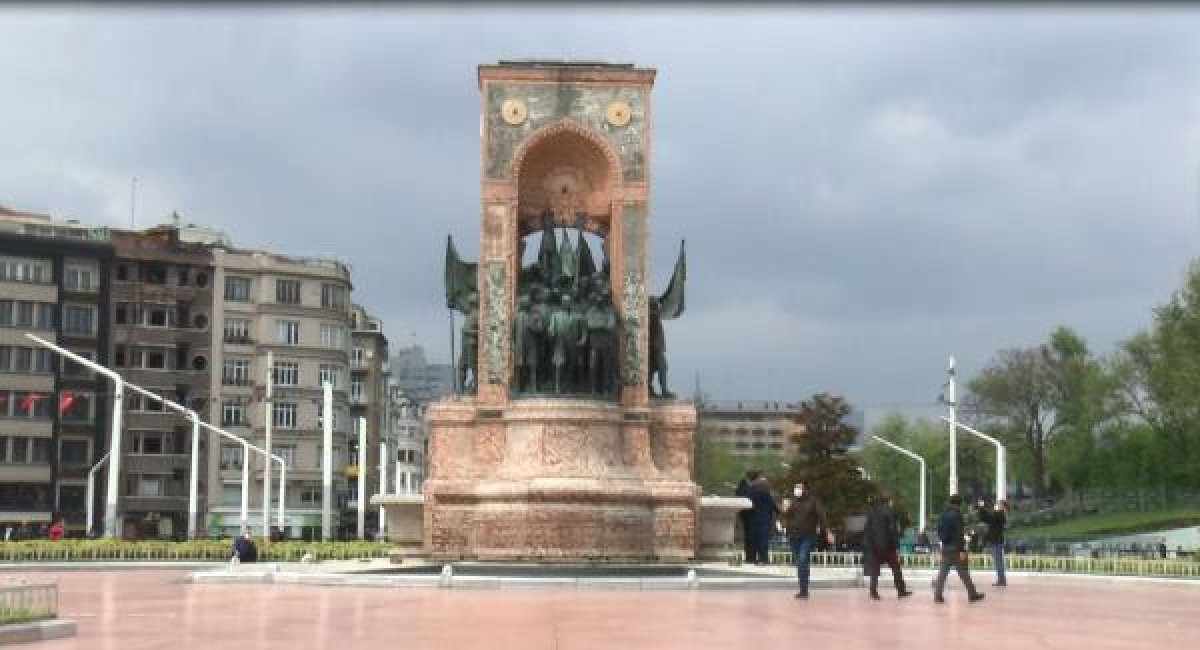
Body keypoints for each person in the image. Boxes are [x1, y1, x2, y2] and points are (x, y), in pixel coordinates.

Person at [782, 479, 831, 599]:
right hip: (793, 535)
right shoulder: (791, 500)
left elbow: (822, 517)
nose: (796, 490)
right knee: (800, 562)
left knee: (803, 559)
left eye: (799, 487)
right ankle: (803, 589)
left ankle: (804, 590)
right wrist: (784, 511)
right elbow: (784, 516)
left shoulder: (814, 501)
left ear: (805, 489)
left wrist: (828, 531)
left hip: (808, 535)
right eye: (795, 487)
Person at [933, 495, 985, 604]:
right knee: (964, 571)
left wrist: (943, 541)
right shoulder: (957, 515)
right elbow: (959, 534)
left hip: (946, 547)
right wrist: (962, 549)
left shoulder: (943, 514)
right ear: (959, 504)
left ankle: (937, 596)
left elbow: (938, 529)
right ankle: (972, 594)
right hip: (956, 548)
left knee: (942, 573)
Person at [863, 492, 912, 600]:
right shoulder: (890, 512)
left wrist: (869, 543)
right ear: (889, 501)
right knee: (896, 568)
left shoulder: (872, 512)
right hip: (887, 546)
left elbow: (867, 529)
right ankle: (901, 590)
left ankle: (873, 592)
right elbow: (892, 530)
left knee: (875, 570)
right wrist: (896, 543)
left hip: (874, 545)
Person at [746, 476, 778, 565]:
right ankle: (763, 558)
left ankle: (752, 558)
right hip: (764, 518)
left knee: (754, 539)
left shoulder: (750, 491)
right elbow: (772, 504)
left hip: (752, 518)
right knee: (763, 540)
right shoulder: (765, 492)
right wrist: (780, 512)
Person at [977, 498, 1008, 586]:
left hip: (996, 541)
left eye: (998, 504)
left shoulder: (999, 515)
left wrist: (981, 507)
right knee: (999, 561)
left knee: (998, 561)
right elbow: (986, 518)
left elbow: (986, 518)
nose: (996, 505)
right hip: (997, 540)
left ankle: (1001, 580)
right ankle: (1001, 579)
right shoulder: (1000, 515)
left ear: (1002, 506)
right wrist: (982, 508)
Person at [734, 470, 760, 564]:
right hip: (751, 515)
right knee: (751, 538)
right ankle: (751, 558)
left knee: (749, 537)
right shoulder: (749, 488)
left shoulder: (743, 486)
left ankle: (750, 557)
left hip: (745, 515)